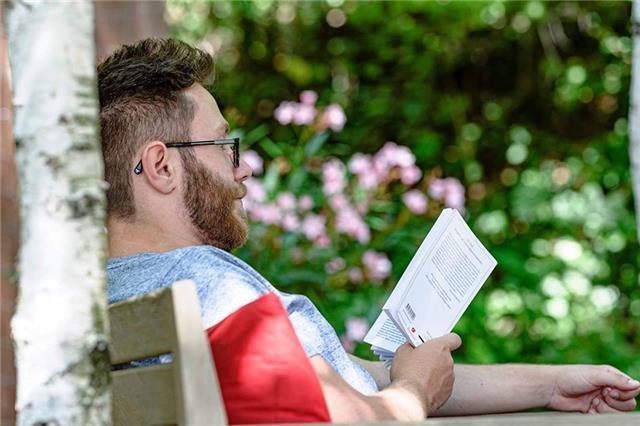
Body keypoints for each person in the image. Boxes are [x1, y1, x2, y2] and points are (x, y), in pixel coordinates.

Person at [100, 38, 640, 422]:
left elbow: (359, 382)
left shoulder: (116, 299)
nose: (242, 168)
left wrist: (549, 383)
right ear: (163, 166)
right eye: (224, 146)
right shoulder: (214, 290)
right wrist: (414, 390)